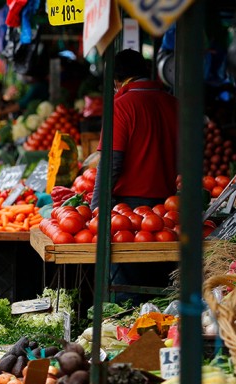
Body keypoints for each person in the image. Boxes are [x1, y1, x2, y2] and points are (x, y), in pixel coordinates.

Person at [90, 49, 179, 304]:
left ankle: (129, 333)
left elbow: (111, 163)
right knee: (161, 284)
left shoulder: (122, 106)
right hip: (169, 209)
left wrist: (97, 207)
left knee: (128, 288)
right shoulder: (173, 104)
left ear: (117, 80)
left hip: (130, 212)